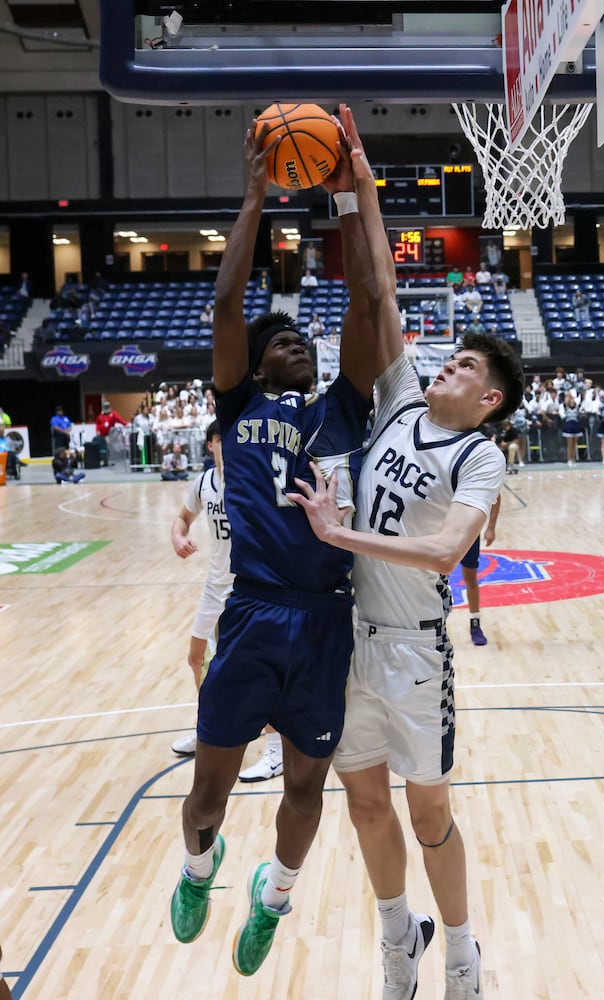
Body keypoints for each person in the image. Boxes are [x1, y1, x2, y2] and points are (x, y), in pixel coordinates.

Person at [289, 106, 524, 1000]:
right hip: (352, 638)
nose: (449, 366)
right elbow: (379, 289)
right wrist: (358, 180)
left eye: (466, 366)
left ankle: (462, 953)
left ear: (490, 398)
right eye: (450, 357)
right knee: (364, 803)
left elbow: (443, 551)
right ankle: (401, 946)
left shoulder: (481, 454)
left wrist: (339, 534)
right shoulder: (395, 401)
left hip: (417, 649)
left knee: (429, 815)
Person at [169, 110, 377, 978]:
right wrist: (254, 196)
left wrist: (344, 198)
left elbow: (369, 299)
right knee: (206, 796)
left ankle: (274, 898)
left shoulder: (342, 407)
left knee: (303, 789)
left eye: (302, 337)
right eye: (280, 340)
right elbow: (226, 303)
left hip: (327, 621)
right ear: (255, 367)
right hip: (252, 613)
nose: (296, 341)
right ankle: (199, 866)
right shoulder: (238, 408)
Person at [170, 420, 236, 756]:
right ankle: (206, 731)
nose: (227, 443)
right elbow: (182, 518)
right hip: (215, 586)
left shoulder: (251, 480)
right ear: (210, 445)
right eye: (220, 438)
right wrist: (178, 536)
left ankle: (273, 745)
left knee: (254, 665)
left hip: (249, 586)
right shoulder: (203, 483)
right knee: (196, 658)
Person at [460, 496, 501, 647]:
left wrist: (491, 527)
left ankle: (475, 625)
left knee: (470, 578)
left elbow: (496, 496)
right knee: (435, 579)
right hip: (443, 529)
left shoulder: (476, 473)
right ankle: (433, 625)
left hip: (470, 531)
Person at [95, 400, 128, 465]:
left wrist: (126, 424)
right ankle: (105, 461)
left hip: (109, 435)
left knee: (110, 447)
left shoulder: (113, 414)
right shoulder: (100, 416)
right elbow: (97, 424)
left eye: (107, 406)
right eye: (105, 406)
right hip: (102, 435)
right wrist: (97, 431)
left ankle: (111, 460)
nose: (106, 408)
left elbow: (120, 420)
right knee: (103, 448)